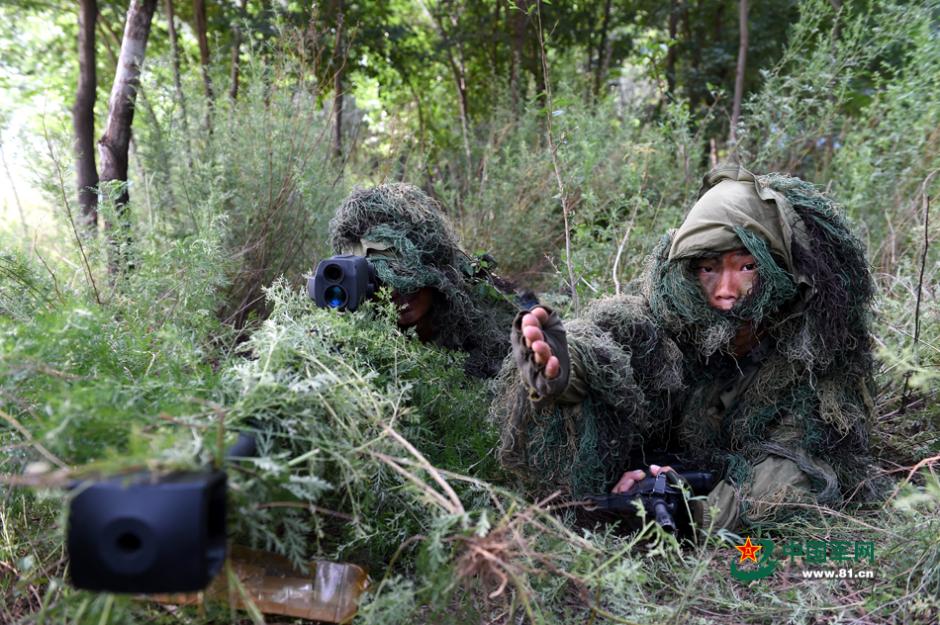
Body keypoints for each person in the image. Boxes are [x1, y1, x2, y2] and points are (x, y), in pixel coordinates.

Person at [493, 165, 877, 530]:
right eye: (708, 269)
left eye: (746, 268)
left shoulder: (815, 351)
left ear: (780, 268)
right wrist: (566, 372)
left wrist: (691, 513)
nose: (725, 292)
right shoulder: (667, 321)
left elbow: (800, 467)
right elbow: (613, 354)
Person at [328, 182, 531, 378]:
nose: (396, 291)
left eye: (405, 274)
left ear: (434, 264)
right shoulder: (368, 345)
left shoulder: (480, 305)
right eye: (381, 279)